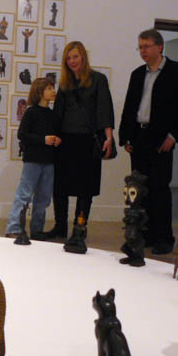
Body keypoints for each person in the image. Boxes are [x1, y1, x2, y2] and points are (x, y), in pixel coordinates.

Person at [118, 29, 178, 254]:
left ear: (159, 47)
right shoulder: (137, 74)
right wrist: (125, 136)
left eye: (146, 46)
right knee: (139, 189)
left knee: (160, 188)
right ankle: (144, 235)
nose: (143, 51)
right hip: (138, 137)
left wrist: (173, 136)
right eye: (140, 47)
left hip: (161, 139)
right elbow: (130, 106)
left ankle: (164, 238)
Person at [45, 41, 115, 245]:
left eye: (75, 56)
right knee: (60, 187)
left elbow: (104, 109)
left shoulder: (98, 80)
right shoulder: (65, 84)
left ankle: (80, 226)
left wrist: (109, 137)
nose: (72, 61)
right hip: (66, 141)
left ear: (83, 57)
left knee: (85, 188)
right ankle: (60, 227)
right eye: (68, 58)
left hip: (88, 141)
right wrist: (53, 136)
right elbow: (58, 113)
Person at [5, 78, 60, 240]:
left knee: (44, 198)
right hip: (33, 161)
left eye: (53, 88)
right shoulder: (31, 112)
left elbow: (56, 134)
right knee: (24, 195)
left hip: (49, 161)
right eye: (49, 88)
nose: (53, 91)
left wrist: (57, 139)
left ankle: (37, 229)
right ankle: (14, 227)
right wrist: (43, 140)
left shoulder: (53, 114)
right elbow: (22, 134)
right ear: (39, 92)